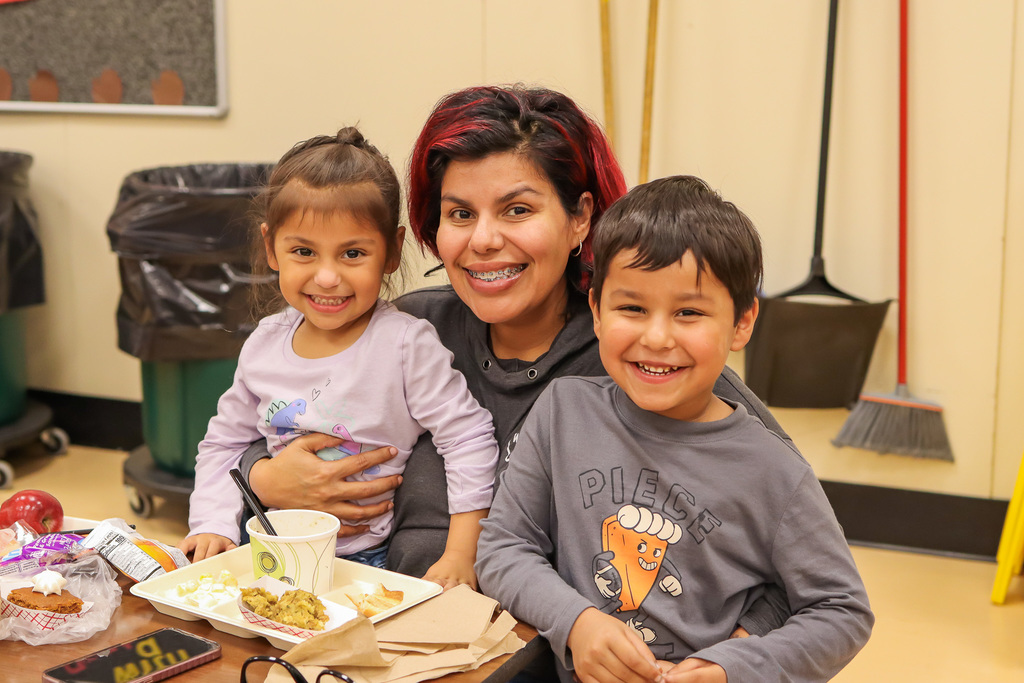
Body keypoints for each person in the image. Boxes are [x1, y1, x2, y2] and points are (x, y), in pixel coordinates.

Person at [238, 86, 793, 632]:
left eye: (517, 209)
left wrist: (735, 653)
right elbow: (284, 416)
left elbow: (798, 563)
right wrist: (261, 478)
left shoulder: (638, 359)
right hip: (380, 637)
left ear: (581, 219)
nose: (483, 239)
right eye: (460, 214)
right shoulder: (409, 330)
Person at [475, 175, 874, 683]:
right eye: (632, 308)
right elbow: (504, 547)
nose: (657, 337)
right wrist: (576, 623)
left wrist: (732, 669)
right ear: (596, 310)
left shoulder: (774, 470)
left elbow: (841, 609)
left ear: (743, 322)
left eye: (689, 312)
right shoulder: (562, 412)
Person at [179, 127, 498, 590]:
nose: (327, 277)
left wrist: (460, 553)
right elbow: (223, 444)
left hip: (368, 563)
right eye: (303, 251)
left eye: (352, 253)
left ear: (390, 251)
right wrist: (211, 524)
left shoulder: (406, 344)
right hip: (268, 544)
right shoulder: (265, 344)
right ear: (272, 247)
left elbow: (468, 439)